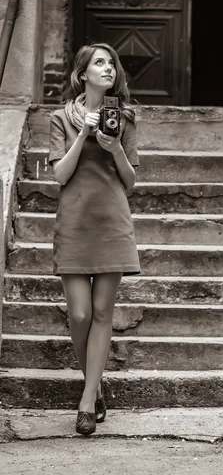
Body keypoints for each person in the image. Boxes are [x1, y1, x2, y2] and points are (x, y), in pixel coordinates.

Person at [48, 42, 140, 435]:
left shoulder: (126, 118)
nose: (108, 69)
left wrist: (115, 147)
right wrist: (83, 135)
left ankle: (87, 401)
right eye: (99, 63)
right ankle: (95, 383)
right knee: (80, 315)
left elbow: (131, 181)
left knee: (103, 313)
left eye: (112, 64)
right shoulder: (60, 117)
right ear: (82, 73)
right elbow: (60, 176)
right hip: (75, 221)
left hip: (112, 221)